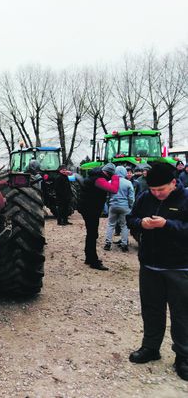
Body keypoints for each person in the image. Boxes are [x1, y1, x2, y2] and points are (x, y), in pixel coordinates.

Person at [126, 162, 188, 381]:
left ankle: (183, 356)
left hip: (180, 267)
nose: (157, 194)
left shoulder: (185, 198)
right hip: (150, 266)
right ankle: (151, 348)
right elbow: (130, 219)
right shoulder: (145, 197)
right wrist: (140, 223)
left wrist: (167, 224)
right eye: (153, 190)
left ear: (174, 183)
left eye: (161, 189)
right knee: (151, 310)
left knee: (182, 313)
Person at [77, 163, 119, 270]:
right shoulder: (99, 179)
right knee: (92, 234)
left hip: (87, 208)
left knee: (91, 233)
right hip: (91, 209)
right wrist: (116, 177)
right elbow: (114, 189)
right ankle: (93, 261)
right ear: (109, 173)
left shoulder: (93, 177)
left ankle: (89, 258)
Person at [104, 166, 134, 252]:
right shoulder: (128, 183)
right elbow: (131, 197)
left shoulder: (110, 182)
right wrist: (131, 206)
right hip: (125, 206)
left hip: (113, 206)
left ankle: (108, 243)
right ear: (124, 172)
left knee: (111, 224)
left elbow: (107, 196)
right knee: (124, 225)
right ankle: (124, 245)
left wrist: (109, 204)